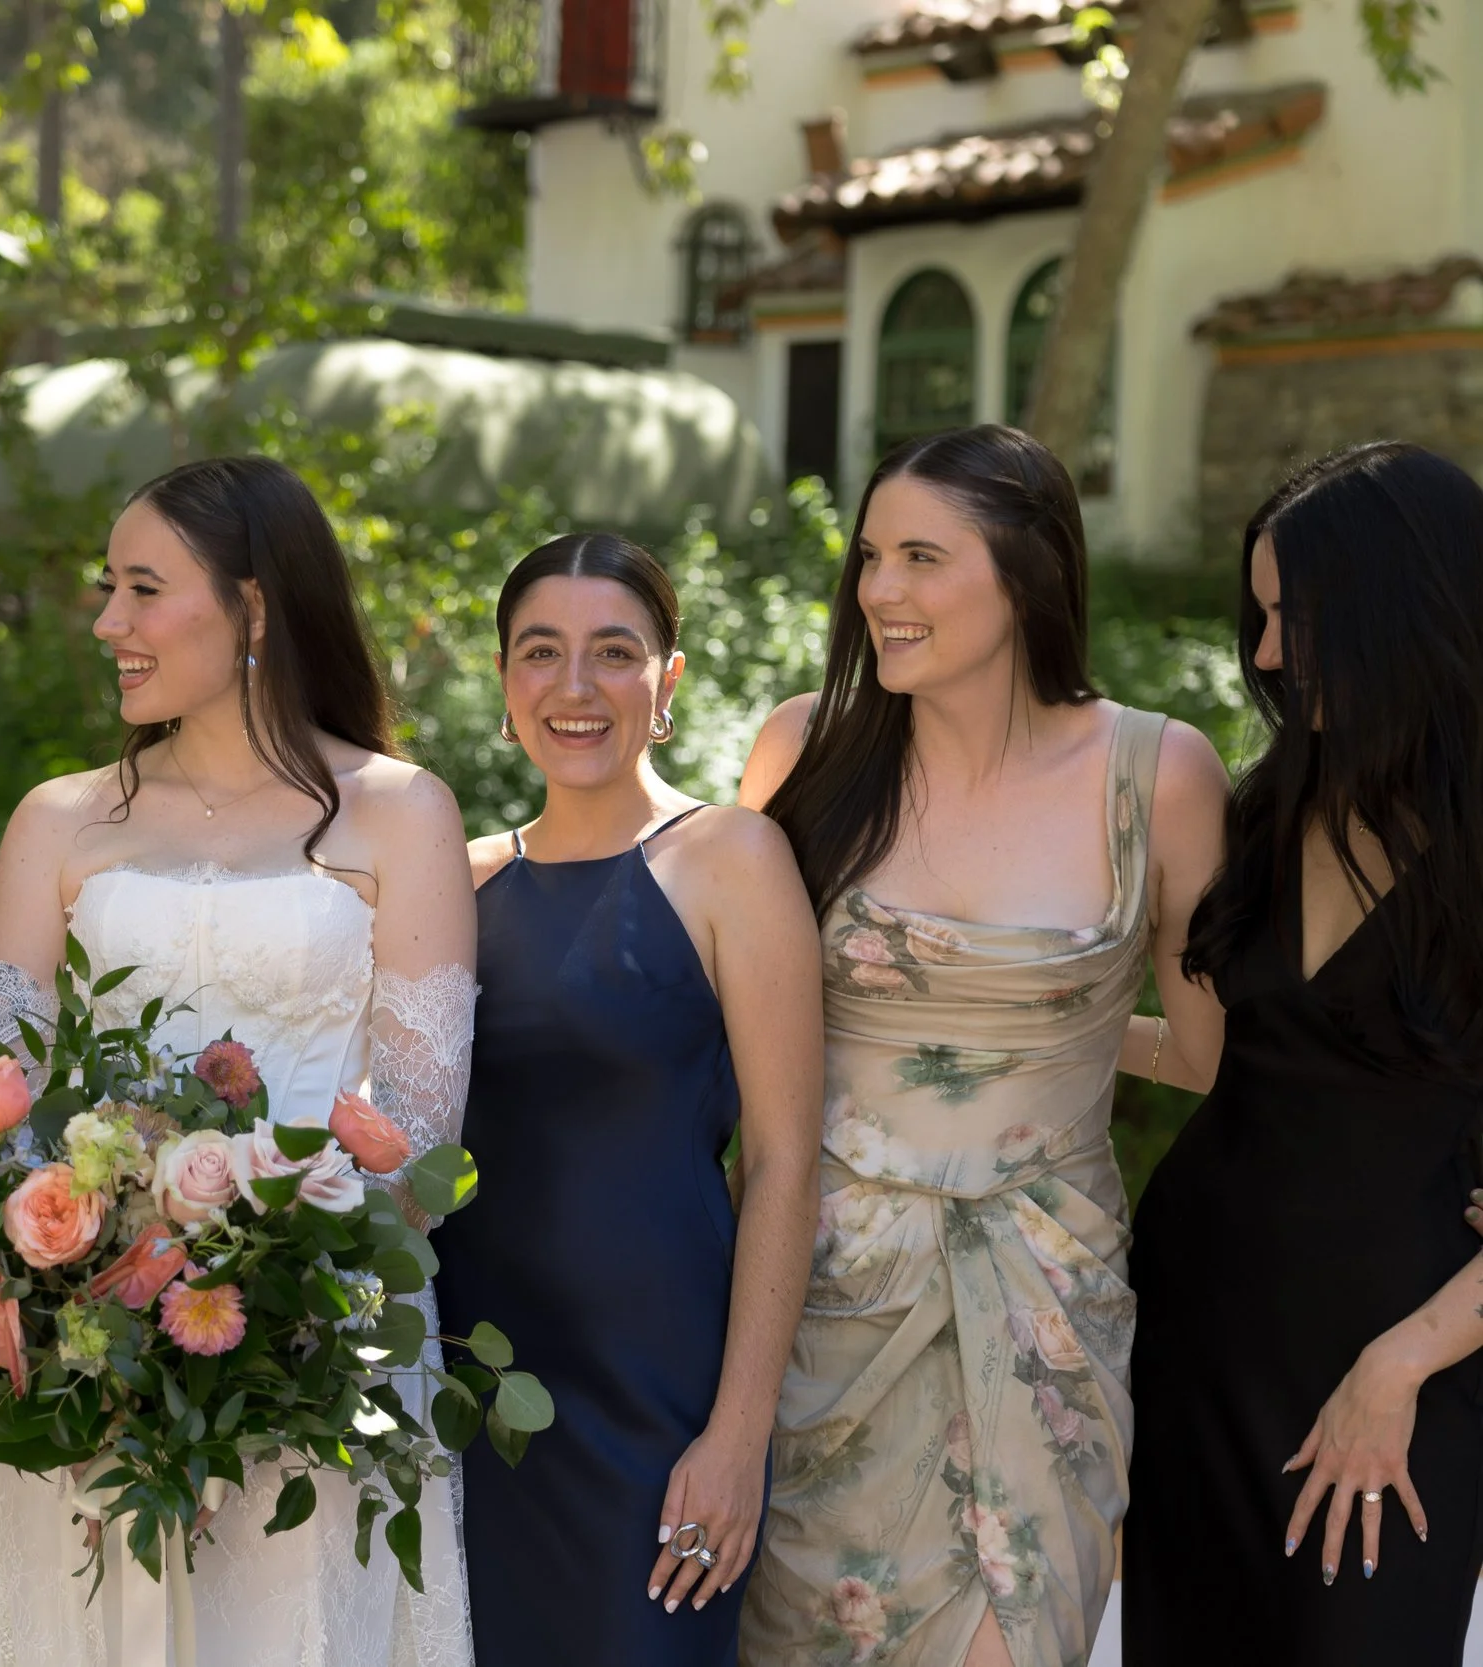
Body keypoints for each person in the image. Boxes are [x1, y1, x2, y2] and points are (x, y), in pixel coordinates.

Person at [0, 454, 479, 1667]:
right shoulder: (61, 819)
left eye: (140, 588)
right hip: (78, 1352)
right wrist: (59, 1272)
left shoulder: (400, 811)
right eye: (106, 588)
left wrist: (266, 1267)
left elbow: (420, 1127)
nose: (106, 622)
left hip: (322, 1335)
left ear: (255, 608)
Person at [733, 425, 1227, 1667]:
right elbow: (714, 1001)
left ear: (1027, 574)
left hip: (1042, 1305)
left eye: (919, 557)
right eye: (867, 558)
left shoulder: (1158, 773)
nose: (879, 592)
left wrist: (1048, 1036)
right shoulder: (806, 750)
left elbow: (1219, 1054)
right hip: (820, 1308)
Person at [1122, 442, 1483, 1664]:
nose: (1268, 655)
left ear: (1410, 604)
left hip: (1404, 1360)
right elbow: (1221, 1061)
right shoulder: (1267, 809)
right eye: (1263, 616)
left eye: (1303, 617)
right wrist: (1027, 1038)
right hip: (1193, 1335)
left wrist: (1402, 1363)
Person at [442, 532, 820, 1663]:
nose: (573, 686)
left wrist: (736, 1433)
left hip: (657, 1400)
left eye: (614, 652)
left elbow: (789, 1158)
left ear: (668, 680)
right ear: (504, 679)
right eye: (539, 652)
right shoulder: (456, 880)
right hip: (470, 1389)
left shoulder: (731, 857)